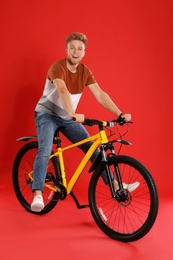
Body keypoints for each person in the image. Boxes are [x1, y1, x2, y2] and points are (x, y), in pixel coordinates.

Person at [31, 32, 139, 212]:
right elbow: (62, 90)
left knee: (92, 148)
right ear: (66, 50)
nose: (75, 51)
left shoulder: (85, 71)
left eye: (79, 49)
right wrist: (72, 113)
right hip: (46, 114)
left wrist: (119, 113)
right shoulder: (58, 67)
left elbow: (100, 94)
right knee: (45, 149)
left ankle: (116, 184)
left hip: (67, 117)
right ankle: (38, 194)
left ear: (84, 53)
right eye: (72, 47)